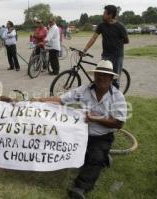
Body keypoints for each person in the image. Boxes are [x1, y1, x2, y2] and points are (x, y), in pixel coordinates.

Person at [31, 60, 127, 199]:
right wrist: (39, 100)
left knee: (95, 158)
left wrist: (96, 118)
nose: (100, 78)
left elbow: (118, 123)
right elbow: (61, 100)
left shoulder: (117, 97)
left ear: (111, 78)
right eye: (98, 74)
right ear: (94, 76)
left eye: (105, 75)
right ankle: (102, 156)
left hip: (101, 136)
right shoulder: (84, 90)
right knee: (56, 140)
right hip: (80, 134)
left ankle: (80, 188)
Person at [83, 5, 129, 88]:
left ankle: (115, 99)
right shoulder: (101, 25)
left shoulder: (120, 26)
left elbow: (126, 41)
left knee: (114, 80)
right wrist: (85, 49)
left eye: (104, 13)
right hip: (105, 55)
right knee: (101, 76)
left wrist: (115, 43)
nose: (102, 15)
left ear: (110, 15)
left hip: (117, 56)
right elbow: (93, 38)